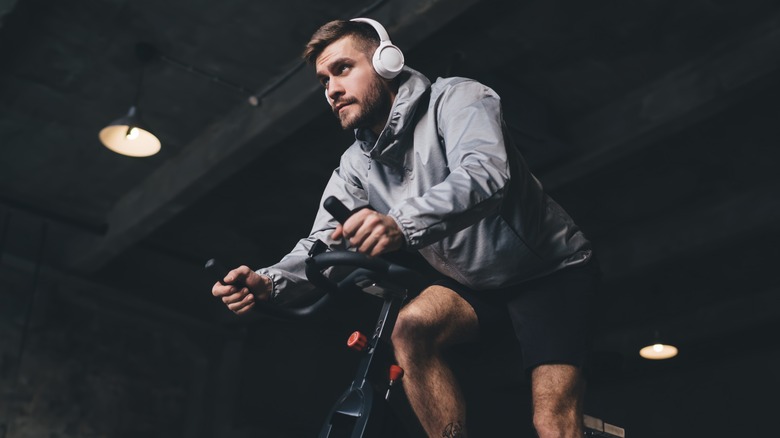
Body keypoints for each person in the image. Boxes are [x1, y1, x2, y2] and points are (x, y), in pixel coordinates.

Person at [212, 17, 599, 438]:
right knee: (409, 328)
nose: (332, 90)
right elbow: (322, 242)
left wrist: (399, 223)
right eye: (323, 80)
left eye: (342, 69)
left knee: (552, 423)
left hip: (548, 273)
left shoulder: (457, 98)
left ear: (386, 61)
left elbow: (484, 176)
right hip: (473, 282)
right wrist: (269, 282)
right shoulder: (355, 166)